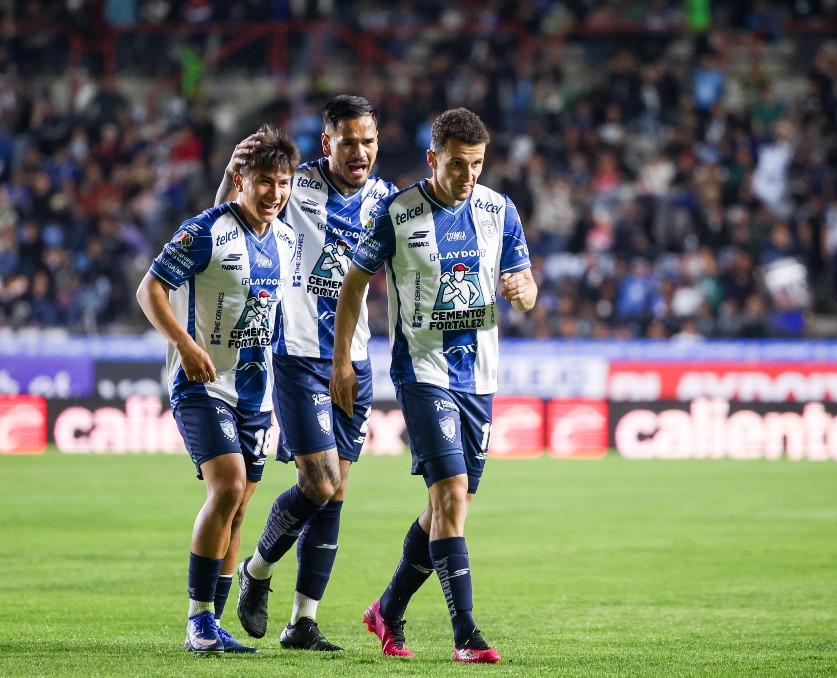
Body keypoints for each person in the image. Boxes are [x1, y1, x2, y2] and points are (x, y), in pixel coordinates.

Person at [330, 107, 537, 663]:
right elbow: (353, 285)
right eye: (456, 164)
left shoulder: (499, 210)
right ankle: (466, 635)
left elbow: (527, 286)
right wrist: (343, 360)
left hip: (480, 376)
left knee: (450, 506)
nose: (468, 175)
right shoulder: (398, 213)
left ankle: (387, 609)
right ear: (432, 158)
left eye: (476, 164)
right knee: (449, 494)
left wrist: (524, 291)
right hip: (422, 371)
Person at [215, 96, 396, 651]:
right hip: (297, 354)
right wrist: (229, 175)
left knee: (335, 494)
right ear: (327, 143)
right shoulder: (294, 186)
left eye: (368, 141)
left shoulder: (386, 200)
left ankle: (302, 621)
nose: (360, 152)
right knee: (318, 483)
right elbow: (228, 220)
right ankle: (256, 570)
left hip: (357, 358)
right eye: (348, 142)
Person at [135, 124, 300, 656]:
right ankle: (199, 621)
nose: (274, 193)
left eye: (283, 182)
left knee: (239, 508)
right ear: (241, 180)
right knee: (226, 487)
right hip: (202, 384)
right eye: (264, 181)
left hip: (256, 394)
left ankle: (214, 624)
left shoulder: (286, 240)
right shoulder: (205, 230)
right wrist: (184, 345)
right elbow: (149, 289)